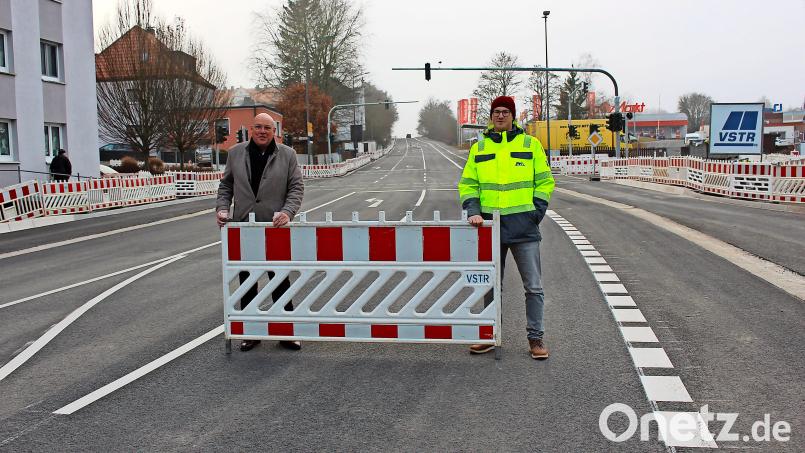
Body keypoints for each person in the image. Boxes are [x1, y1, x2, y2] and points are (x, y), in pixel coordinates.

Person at [458, 96, 555, 360]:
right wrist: (474, 212)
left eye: (505, 112)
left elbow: (545, 182)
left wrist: (536, 212)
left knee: (533, 287)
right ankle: (489, 335)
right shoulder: (479, 147)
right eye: (496, 112)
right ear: (491, 116)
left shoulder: (530, 144)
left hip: (524, 227)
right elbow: (468, 183)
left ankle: (536, 339)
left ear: (513, 116)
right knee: (491, 285)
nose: (500, 116)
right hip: (490, 226)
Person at [216, 113, 304, 352]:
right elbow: (226, 185)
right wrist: (223, 208)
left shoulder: (287, 155)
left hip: (275, 227)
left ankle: (287, 332)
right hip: (245, 226)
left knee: (280, 278)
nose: (262, 131)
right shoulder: (235, 153)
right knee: (247, 280)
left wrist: (287, 212)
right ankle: (251, 332)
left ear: (274, 131)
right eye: (258, 127)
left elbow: (296, 187)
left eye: (267, 127)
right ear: (251, 130)